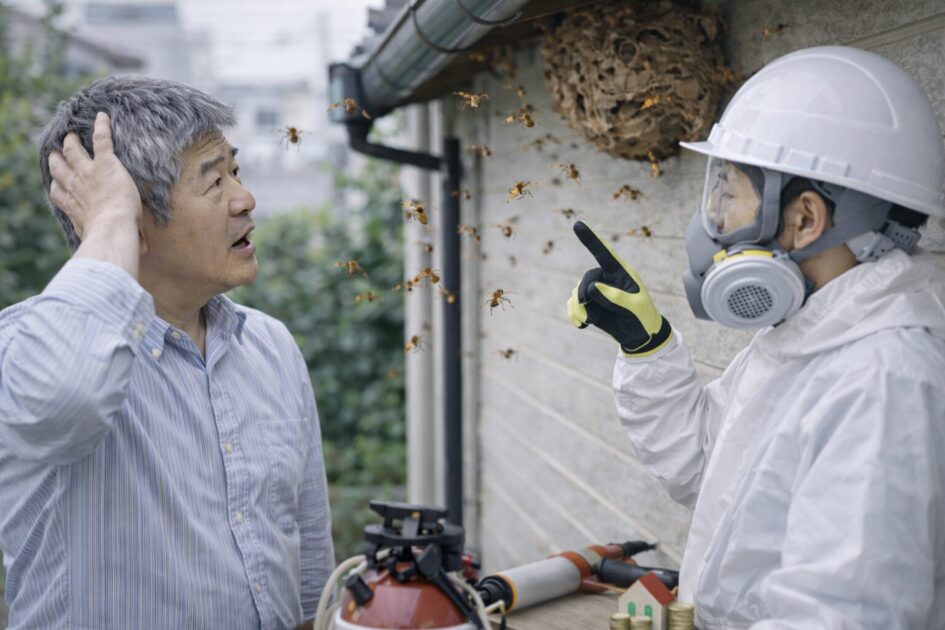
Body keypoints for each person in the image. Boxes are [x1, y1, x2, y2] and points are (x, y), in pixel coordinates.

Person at [567, 46, 945, 629]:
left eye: (729, 192)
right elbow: (704, 469)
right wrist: (649, 351)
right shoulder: (810, 337)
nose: (710, 223)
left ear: (805, 219)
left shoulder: (883, 381)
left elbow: (843, 618)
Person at [0, 76, 334, 629]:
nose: (245, 198)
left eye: (236, 171)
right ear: (137, 219)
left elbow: (308, 572)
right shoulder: (26, 350)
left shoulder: (270, 345)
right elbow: (62, 402)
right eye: (213, 181)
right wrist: (107, 221)